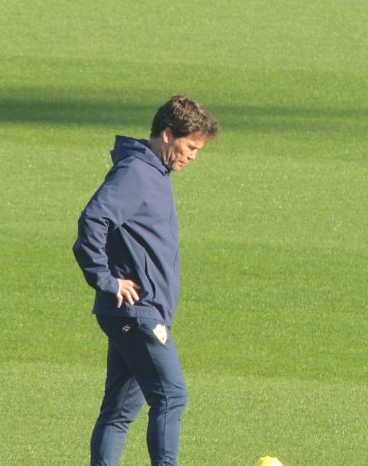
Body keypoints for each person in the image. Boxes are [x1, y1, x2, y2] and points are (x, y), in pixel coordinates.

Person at [73, 95, 219, 466]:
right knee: (172, 396)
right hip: (137, 313)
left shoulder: (152, 172)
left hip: (135, 313)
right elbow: (92, 220)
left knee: (119, 412)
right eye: (189, 147)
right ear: (167, 135)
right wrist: (105, 280)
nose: (192, 156)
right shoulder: (137, 173)